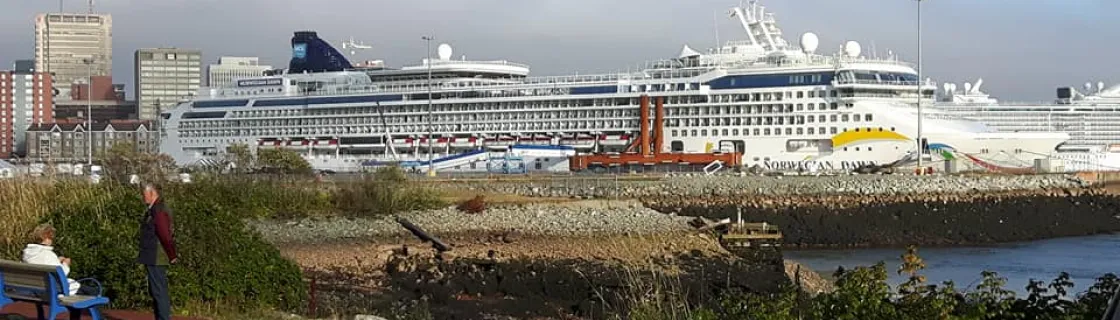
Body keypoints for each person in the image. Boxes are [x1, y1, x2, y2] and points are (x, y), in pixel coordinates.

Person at [22, 224, 98, 296]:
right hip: (54, 290)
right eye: (51, 238)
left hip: (38, 289)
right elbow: (62, 273)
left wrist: (57, 260)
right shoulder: (48, 254)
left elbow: (41, 262)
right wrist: (66, 264)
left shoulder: (27, 253)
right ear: (46, 238)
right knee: (93, 291)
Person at [138, 183, 177, 320]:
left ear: (152, 193)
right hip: (152, 256)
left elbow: (164, 234)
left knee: (159, 291)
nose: (143, 196)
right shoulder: (153, 209)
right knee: (156, 290)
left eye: (145, 194)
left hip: (156, 256)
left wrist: (172, 254)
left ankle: (164, 318)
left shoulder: (158, 210)